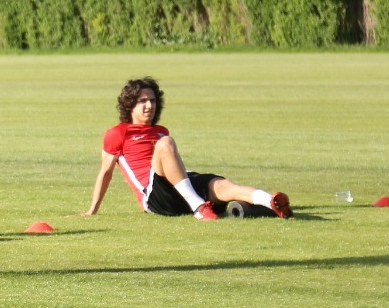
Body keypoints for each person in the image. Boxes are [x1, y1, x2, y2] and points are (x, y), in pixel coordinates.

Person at [83, 77, 292, 220]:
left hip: (181, 186)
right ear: (130, 105)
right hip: (155, 197)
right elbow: (106, 172)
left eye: (153, 101)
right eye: (143, 101)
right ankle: (200, 208)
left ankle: (271, 203)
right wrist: (92, 210)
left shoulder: (160, 130)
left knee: (223, 185)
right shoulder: (118, 133)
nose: (150, 106)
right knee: (166, 143)